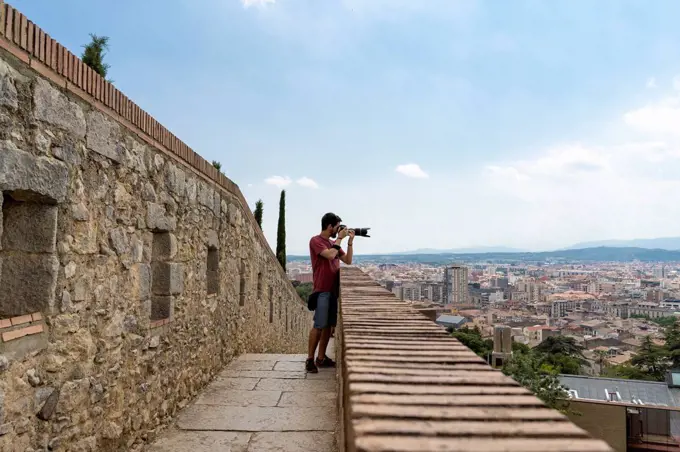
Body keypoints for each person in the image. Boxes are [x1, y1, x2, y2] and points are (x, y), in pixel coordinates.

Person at [305, 212, 354, 373]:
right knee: (319, 325)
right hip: (322, 289)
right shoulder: (316, 241)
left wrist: (350, 243)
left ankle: (321, 358)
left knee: (328, 328)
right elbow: (330, 255)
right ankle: (310, 359)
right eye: (337, 227)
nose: (338, 230)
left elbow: (347, 261)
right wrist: (340, 239)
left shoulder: (334, 243)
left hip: (333, 291)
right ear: (329, 226)